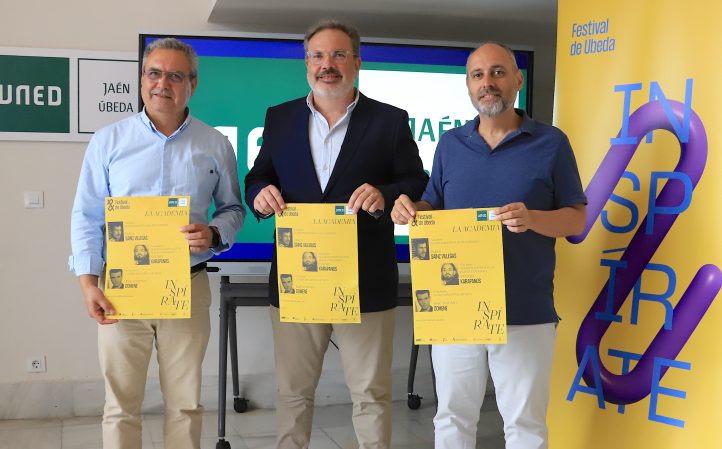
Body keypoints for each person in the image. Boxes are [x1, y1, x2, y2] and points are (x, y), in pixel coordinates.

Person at [391, 42, 587, 449]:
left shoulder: (551, 143)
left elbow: (576, 218)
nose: (487, 83)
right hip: (455, 306)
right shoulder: (450, 144)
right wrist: (410, 209)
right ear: (468, 86)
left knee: (525, 426)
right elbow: (432, 205)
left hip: (524, 310)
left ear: (517, 80)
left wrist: (533, 219)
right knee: (452, 418)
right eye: (477, 75)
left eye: (498, 72)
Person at [244, 19, 428, 449]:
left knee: (371, 394)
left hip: (366, 282)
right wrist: (259, 194)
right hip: (298, 279)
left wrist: (385, 194)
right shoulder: (280, 117)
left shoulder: (390, 120)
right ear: (307, 63)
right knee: (292, 393)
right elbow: (258, 176)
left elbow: (416, 181)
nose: (327, 64)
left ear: (357, 62)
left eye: (339, 55)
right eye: (318, 56)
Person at [69, 37, 245, 449]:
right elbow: (87, 215)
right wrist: (88, 282)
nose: (162, 83)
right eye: (154, 73)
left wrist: (214, 233)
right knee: (120, 405)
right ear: (142, 79)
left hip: (188, 285)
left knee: (185, 405)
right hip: (121, 290)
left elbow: (233, 209)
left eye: (175, 76)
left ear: (192, 85)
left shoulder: (215, 144)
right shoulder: (108, 141)